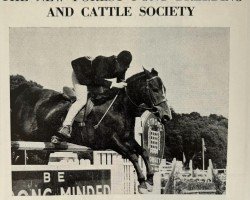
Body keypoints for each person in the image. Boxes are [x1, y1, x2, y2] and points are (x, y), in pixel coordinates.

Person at [58, 50, 132, 138]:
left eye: (125, 67)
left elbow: (120, 86)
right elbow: (97, 79)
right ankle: (66, 126)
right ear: (117, 61)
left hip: (93, 79)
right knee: (82, 100)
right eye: (122, 66)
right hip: (81, 74)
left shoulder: (123, 68)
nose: (123, 69)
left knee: (101, 97)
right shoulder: (104, 61)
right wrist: (115, 84)